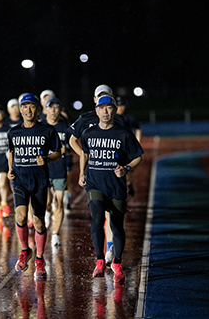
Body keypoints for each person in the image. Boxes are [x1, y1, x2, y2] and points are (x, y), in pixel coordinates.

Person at [78, 95, 144, 282]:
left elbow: (139, 157)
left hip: (116, 186)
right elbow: (84, 152)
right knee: (98, 218)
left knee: (117, 226)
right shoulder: (88, 133)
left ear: (114, 110)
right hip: (95, 184)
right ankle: (100, 260)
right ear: (96, 110)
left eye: (109, 108)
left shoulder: (123, 133)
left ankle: (116, 262)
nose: (105, 112)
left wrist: (127, 168)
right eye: (102, 108)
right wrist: (82, 173)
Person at [68, 84, 128, 267]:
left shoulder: (118, 121)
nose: (104, 106)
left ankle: (110, 248)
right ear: (95, 101)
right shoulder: (85, 119)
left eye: (107, 98)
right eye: (99, 98)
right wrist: (84, 156)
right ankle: (101, 256)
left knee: (113, 218)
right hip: (94, 174)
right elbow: (72, 140)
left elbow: (125, 148)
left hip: (113, 177)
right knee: (98, 215)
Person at [7, 93, 62, 279]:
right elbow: (10, 151)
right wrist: (9, 169)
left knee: (39, 221)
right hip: (20, 180)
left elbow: (58, 153)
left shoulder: (47, 131)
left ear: (38, 109)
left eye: (32, 106)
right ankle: (25, 250)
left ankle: (39, 258)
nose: (28, 110)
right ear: (20, 109)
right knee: (21, 216)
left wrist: (46, 158)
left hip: (40, 181)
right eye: (25, 106)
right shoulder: (13, 132)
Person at [42, 97, 68, 247]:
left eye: (56, 107)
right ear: (45, 109)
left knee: (58, 203)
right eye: (50, 107)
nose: (53, 110)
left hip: (59, 170)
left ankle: (55, 234)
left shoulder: (65, 128)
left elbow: (74, 147)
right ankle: (46, 213)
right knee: (46, 202)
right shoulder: (40, 127)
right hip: (43, 170)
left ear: (60, 109)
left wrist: (68, 149)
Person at [115, 96, 142, 197]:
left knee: (128, 166)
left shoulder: (130, 118)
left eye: (122, 105)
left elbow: (138, 128)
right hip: (116, 146)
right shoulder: (111, 118)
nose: (120, 108)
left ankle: (129, 183)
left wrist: (137, 142)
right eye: (118, 106)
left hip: (127, 147)